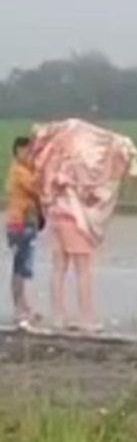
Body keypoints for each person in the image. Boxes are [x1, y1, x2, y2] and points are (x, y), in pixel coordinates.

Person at [33, 119, 137, 332]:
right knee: (84, 269)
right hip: (75, 219)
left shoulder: (53, 159)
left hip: (57, 215)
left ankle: (59, 316)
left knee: (59, 268)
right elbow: (95, 189)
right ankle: (86, 317)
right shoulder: (82, 164)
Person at [6, 137, 40, 325]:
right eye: (25, 151)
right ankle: (19, 309)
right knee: (19, 267)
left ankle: (25, 307)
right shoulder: (19, 172)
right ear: (17, 152)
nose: (28, 155)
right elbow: (36, 188)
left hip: (28, 223)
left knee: (24, 267)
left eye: (30, 151)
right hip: (19, 225)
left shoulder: (26, 170)